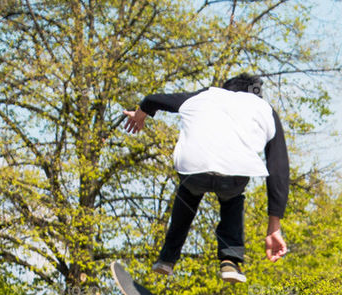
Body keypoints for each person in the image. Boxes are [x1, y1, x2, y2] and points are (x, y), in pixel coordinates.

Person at [123, 73, 289, 283]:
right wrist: (274, 226)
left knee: (187, 193)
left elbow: (152, 99)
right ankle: (230, 261)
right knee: (233, 199)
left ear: (225, 89)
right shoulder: (264, 109)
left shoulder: (206, 95)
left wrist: (140, 114)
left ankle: (167, 259)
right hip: (233, 175)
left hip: (193, 169)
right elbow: (278, 168)